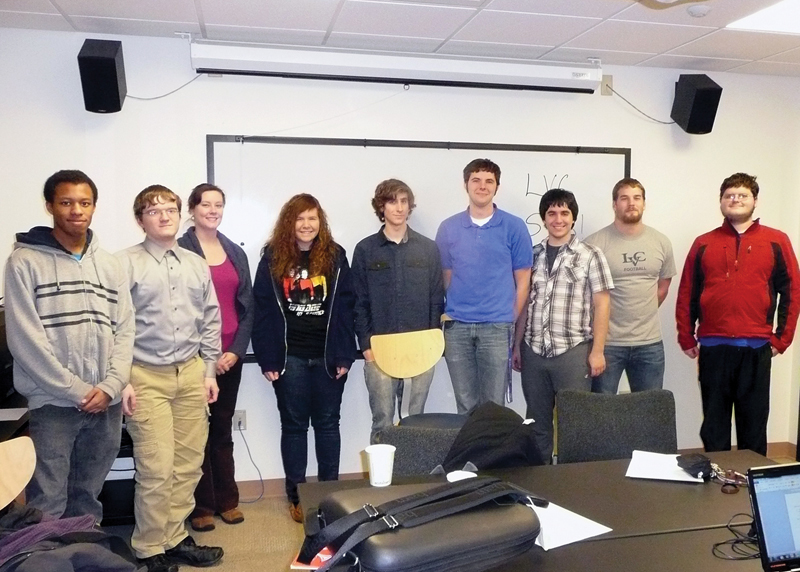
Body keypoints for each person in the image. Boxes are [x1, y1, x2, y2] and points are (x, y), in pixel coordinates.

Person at [3, 169, 134, 521]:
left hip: (106, 402)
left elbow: (125, 329)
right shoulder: (23, 262)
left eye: (85, 202)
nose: (77, 210)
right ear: (50, 206)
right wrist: (77, 390)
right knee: (46, 500)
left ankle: (83, 553)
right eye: (66, 202)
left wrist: (110, 386)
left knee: (88, 495)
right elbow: (24, 340)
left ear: (94, 207)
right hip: (54, 404)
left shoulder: (109, 264)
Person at [117, 185, 223, 572]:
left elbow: (210, 319)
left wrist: (209, 371)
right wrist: (122, 379)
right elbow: (115, 326)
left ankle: (174, 536)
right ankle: (148, 547)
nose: (164, 216)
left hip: (192, 374)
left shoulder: (195, 263)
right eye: (153, 210)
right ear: (140, 218)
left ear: (181, 215)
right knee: (156, 468)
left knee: (188, 464)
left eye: (170, 209)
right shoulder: (123, 264)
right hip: (145, 377)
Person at [676, 173, 800, 457]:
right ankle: (714, 484)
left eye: (742, 195)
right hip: (713, 348)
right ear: (721, 202)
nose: (735, 200)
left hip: (756, 349)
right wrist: (686, 336)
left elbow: (792, 291)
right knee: (715, 426)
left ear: (755, 201)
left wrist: (782, 339)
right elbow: (687, 293)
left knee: (753, 425)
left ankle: (750, 483)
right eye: (729, 195)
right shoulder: (703, 242)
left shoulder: (776, 240)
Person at [251, 194, 356, 524]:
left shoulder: (336, 256)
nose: (307, 225)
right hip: (289, 358)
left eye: (312, 218)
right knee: (294, 427)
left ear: (320, 221)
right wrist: (268, 358)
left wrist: (345, 354)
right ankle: (296, 495)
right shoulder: (272, 257)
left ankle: (328, 494)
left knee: (328, 426)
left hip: (327, 357)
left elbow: (346, 310)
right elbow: (263, 310)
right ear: (289, 223)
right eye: (300, 219)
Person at [513, 188, 613, 462]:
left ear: (573, 218)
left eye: (564, 213)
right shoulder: (531, 255)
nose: (558, 219)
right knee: (536, 424)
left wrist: (598, 351)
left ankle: (573, 484)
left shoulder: (591, 255)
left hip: (573, 352)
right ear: (544, 219)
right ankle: (540, 480)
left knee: (575, 425)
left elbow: (602, 304)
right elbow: (524, 304)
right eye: (552, 213)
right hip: (533, 352)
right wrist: (517, 346)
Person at [177, 183, 254, 532]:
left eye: (218, 204)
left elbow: (248, 307)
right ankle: (200, 506)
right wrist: (205, 355)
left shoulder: (235, 252)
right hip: (193, 359)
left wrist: (236, 351)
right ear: (192, 210)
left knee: (222, 430)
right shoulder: (179, 250)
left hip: (228, 359)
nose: (212, 210)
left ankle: (228, 501)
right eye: (205, 204)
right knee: (195, 434)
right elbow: (174, 311)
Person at [435, 158, 532, 414]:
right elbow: (447, 276)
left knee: (493, 407)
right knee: (465, 405)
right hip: (456, 327)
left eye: (489, 181)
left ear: (496, 187)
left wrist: (509, 316)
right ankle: (468, 455)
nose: (482, 186)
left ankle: (492, 456)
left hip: (497, 328)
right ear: (466, 184)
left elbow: (523, 279)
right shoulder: (448, 228)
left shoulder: (514, 226)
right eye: (476, 180)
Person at [352, 179, 444, 443]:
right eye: (393, 201)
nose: (399, 207)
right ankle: (383, 483)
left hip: (421, 348)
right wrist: (366, 345)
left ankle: (412, 481)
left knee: (417, 421)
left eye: (404, 201)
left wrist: (432, 342)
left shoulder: (427, 248)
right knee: (383, 422)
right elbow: (359, 302)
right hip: (380, 348)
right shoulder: (365, 250)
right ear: (381, 207)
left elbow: (436, 298)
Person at [585, 178, 676, 394]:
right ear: (614, 204)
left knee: (649, 413)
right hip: (607, 344)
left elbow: (663, 287)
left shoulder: (661, 242)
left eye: (637, 198)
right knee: (601, 413)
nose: (631, 203)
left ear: (644, 203)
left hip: (649, 344)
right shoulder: (594, 244)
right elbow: (586, 295)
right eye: (624, 198)